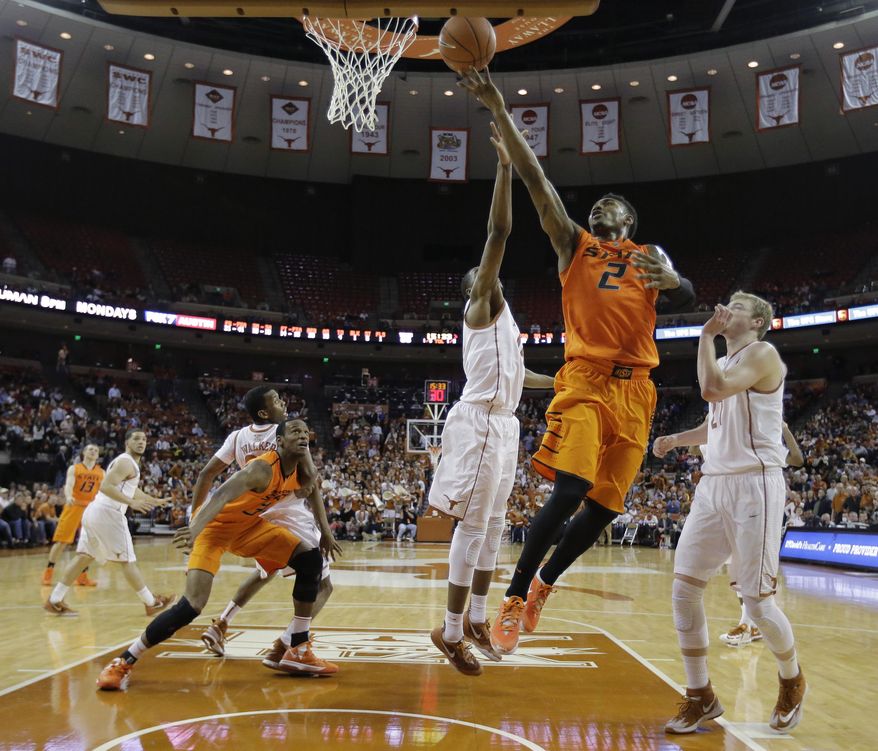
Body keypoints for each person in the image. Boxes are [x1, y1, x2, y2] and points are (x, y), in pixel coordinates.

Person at [458, 68, 696, 655]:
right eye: (596, 204)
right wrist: (496, 105)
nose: (600, 206)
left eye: (611, 204)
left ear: (631, 224)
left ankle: (543, 585)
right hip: (587, 381)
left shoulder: (648, 257)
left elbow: (688, 294)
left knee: (604, 508)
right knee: (570, 489)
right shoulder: (575, 246)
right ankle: (514, 596)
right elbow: (537, 180)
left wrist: (677, 280)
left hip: (638, 390)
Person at [428, 122, 555, 676]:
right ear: (475, 286)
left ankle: (477, 618)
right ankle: (451, 630)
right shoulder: (480, 307)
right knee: (473, 528)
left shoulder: (508, 325)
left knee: (497, 526)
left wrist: (561, 383)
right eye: (482, 273)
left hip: (505, 423)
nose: (491, 273)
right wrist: (505, 168)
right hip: (478, 422)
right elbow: (499, 233)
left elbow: (522, 374)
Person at [652, 292, 806, 734]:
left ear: (757, 321)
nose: (727, 310)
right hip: (715, 483)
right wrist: (676, 439)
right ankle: (700, 695)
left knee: (757, 604)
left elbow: (710, 388)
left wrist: (704, 337)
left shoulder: (762, 353)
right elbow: (714, 419)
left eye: (738, 307)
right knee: (684, 588)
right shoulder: (732, 363)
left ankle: (792, 678)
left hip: (754, 485)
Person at [95, 419, 338, 691]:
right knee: (192, 605)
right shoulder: (262, 468)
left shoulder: (301, 469)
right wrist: (194, 528)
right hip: (213, 530)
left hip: (250, 528)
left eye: (306, 431)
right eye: (295, 431)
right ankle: (124, 660)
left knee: (310, 559)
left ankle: (298, 647)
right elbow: (220, 495)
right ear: (279, 441)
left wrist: (326, 532)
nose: (303, 435)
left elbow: (314, 488)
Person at [192, 387, 340, 660]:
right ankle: (287, 644)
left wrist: (195, 516)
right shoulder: (285, 433)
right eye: (277, 401)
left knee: (264, 572)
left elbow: (207, 472)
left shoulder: (237, 437)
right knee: (323, 586)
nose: (283, 403)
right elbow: (310, 477)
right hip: (291, 516)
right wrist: (323, 526)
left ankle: (221, 624)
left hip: (258, 516)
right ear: (265, 412)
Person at [44, 430, 174, 616]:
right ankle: (151, 602)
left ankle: (54, 600)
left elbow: (131, 489)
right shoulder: (126, 461)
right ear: (127, 443)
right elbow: (106, 487)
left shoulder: (124, 463)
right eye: (136, 439)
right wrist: (131, 503)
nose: (141, 442)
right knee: (127, 561)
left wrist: (152, 500)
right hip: (108, 513)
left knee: (83, 557)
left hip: (94, 512)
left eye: (144, 439)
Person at [716, 422, 805, 647]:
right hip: (741, 512)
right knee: (742, 573)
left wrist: (785, 429)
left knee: (755, 575)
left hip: (763, 514)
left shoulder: (768, 449)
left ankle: (750, 629)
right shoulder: (736, 445)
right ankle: (751, 626)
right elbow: (695, 450)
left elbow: (798, 459)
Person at [42, 444, 104, 587]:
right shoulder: (74, 468)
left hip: (91, 509)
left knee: (89, 543)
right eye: (91, 449)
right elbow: (69, 485)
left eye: (96, 450)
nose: (94, 451)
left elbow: (102, 492)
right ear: (84, 453)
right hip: (74, 505)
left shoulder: (101, 472)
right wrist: (69, 496)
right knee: (61, 541)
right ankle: (48, 572)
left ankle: (82, 576)